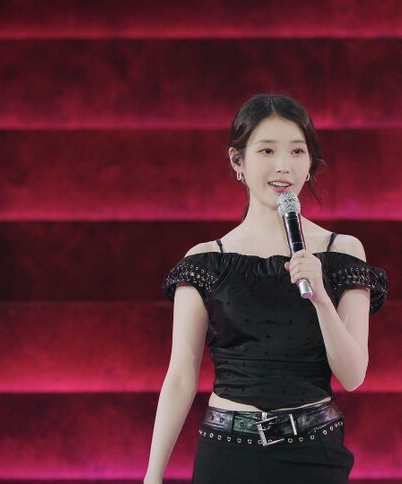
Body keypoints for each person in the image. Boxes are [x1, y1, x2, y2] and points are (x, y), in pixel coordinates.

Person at [144, 93, 388, 483]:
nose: (283, 166)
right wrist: (153, 476)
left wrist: (321, 298)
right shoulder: (207, 260)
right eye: (267, 151)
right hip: (227, 453)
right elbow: (180, 377)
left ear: (310, 162)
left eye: (297, 151)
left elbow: (353, 374)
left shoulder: (340, 251)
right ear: (237, 161)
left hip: (313, 453)